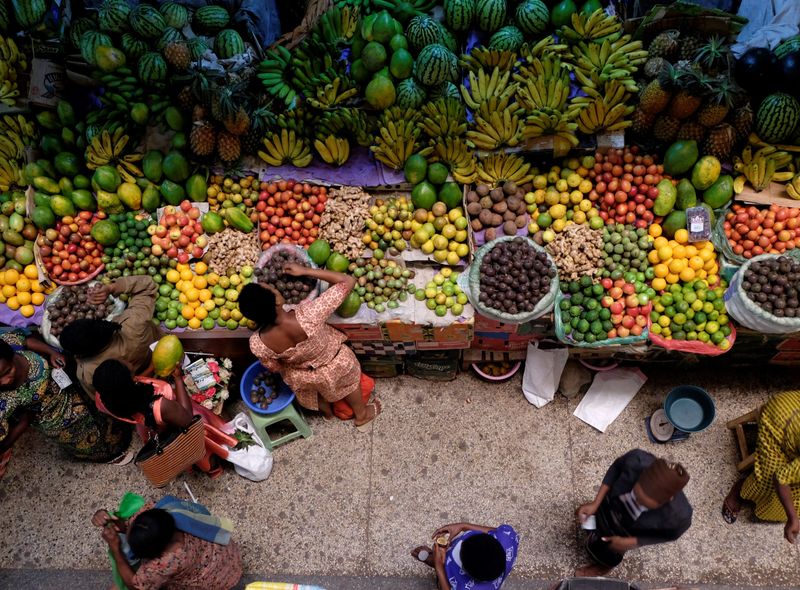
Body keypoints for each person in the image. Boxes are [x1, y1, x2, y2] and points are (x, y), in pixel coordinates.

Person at [239, 263, 380, 430]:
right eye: (272, 288)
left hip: (303, 375)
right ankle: (362, 416)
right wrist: (306, 271)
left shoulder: (257, 343)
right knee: (350, 383)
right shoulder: (309, 315)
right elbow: (347, 281)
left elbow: (274, 366)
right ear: (277, 300)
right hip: (335, 364)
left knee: (315, 391)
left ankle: (327, 414)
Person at [0, 329, 131, 477]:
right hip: (59, 420)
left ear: (10, 354)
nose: (5, 380)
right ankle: (107, 455)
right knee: (88, 440)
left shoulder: (9, 342)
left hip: (70, 391)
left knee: (100, 418)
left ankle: (117, 435)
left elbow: (25, 341)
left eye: (7, 371)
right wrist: (25, 421)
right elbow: (3, 443)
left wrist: (51, 353)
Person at [92, 359, 233, 477]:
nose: (127, 361)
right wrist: (177, 378)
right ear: (130, 380)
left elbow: (135, 382)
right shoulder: (161, 405)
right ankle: (211, 466)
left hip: (148, 427)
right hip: (173, 422)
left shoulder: (103, 398)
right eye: (125, 366)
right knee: (198, 446)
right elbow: (187, 418)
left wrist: (151, 368)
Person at [575, 449, 692, 576]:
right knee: (591, 519)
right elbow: (616, 468)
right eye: (636, 494)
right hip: (610, 505)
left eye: (644, 503)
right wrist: (596, 503)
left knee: (610, 553)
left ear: (666, 501)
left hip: (629, 529)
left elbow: (670, 535)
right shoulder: (636, 460)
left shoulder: (678, 517)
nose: (636, 501)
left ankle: (603, 567)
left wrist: (634, 541)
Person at [93, 494, 242, 590]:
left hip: (218, 581)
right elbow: (133, 523)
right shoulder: (163, 513)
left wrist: (116, 550)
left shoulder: (163, 563)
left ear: (152, 555)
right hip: (227, 555)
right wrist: (110, 519)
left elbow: (136, 585)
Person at [59, 276, 161, 399]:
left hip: (140, 394)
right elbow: (147, 285)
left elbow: (102, 399)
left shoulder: (88, 374)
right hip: (164, 359)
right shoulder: (133, 325)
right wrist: (112, 287)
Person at [723, 390, 800, 543]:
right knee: (769, 484)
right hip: (781, 417)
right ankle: (740, 489)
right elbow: (780, 478)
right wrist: (793, 517)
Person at [411, 522, 519, 590]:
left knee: (443, 575)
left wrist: (439, 566)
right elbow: (494, 531)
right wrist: (463, 526)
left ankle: (436, 562)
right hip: (493, 582)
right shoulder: (507, 540)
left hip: (455, 580)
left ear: (464, 569)